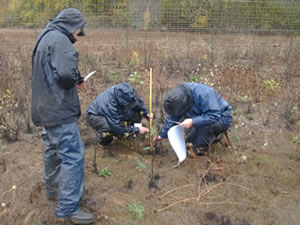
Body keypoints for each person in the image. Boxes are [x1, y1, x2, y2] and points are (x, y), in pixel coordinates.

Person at [31, 8, 94, 224]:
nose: (78, 35)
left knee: (52, 150)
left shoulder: (45, 36)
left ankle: (53, 190)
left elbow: (53, 71)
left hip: (44, 107)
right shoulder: (61, 41)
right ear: (72, 26)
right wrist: (76, 80)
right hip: (58, 110)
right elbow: (65, 75)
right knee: (72, 155)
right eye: (78, 31)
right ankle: (68, 209)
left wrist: (74, 77)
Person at [154, 82, 233, 156]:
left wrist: (193, 121)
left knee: (195, 149)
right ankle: (212, 138)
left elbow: (214, 115)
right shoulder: (177, 99)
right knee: (188, 144)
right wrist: (162, 135)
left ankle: (206, 147)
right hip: (202, 119)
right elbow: (173, 117)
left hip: (222, 117)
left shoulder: (203, 94)